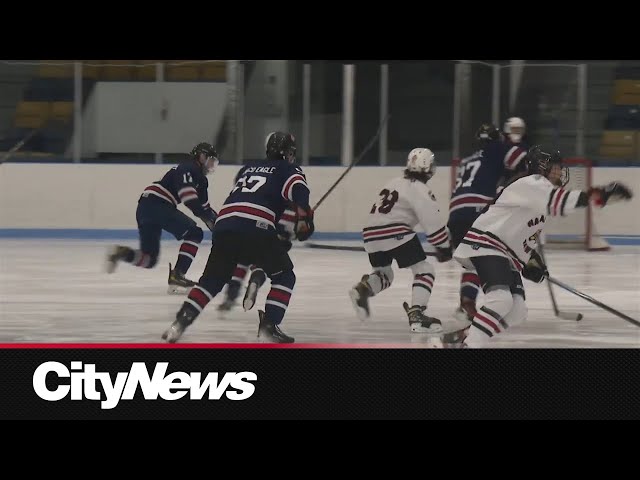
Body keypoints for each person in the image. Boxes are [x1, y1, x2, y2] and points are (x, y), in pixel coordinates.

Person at [450, 146, 633, 348]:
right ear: (541, 167)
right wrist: (599, 195)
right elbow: (561, 201)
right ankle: (471, 344)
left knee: (518, 310)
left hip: (504, 253)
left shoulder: (538, 192)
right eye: (555, 167)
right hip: (488, 245)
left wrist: (531, 261)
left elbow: (523, 235)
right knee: (501, 300)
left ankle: (467, 336)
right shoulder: (533, 183)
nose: (560, 172)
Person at [161, 131, 315, 343]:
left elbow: (253, 193)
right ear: (288, 152)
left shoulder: (247, 168)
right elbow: (298, 189)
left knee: (211, 282)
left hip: (225, 223)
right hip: (257, 225)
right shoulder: (289, 168)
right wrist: (304, 216)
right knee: (284, 276)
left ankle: (179, 323)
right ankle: (269, 326)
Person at [348, 148, 451, 334]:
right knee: (424, 270)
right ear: (428, 167)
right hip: (395, 231)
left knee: (385, 274)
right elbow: (433, 222)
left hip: (370, 234)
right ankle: (417, 315)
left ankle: (363, 289)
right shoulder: (420, 189)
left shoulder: (394, 182)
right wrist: (444, 246)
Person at [105, 142, 219, 294]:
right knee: (195, 233)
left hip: (145, 207)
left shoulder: (201, 180)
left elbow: (205, 209)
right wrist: (216, 225)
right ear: (201, 156)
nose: (211, 165)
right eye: (210, 160)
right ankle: (178, 275)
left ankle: (122, 253)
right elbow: (190, 200)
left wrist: (217, 222)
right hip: (157, 204)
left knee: (149, 260)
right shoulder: (189, 168)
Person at [448, 124, 528, 323]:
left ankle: (465, 304)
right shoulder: (497, 148)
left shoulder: (468, 159)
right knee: (496, 253)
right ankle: (507, 300)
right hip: (478, 209)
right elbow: (525, 161)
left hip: (456, 213)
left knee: (474, 260)